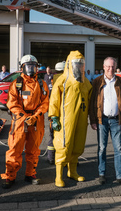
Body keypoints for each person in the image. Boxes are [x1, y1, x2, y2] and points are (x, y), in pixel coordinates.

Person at [1, 54, 49, 189]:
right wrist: (24, 116)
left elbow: (45, 103)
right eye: (28, 66)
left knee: (33, 149)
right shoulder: (16, 84)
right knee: (15, 148)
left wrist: (35, 115)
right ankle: (10, 176)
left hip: (36, 120)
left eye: (33, 66)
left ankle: (30, 174)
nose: (31, 69)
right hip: (20, 121)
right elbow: (12, 103)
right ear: (22, 67)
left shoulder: (42, 84)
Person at [48, 50, 92, 187]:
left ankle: (72, 172)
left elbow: (92, 100)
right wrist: (54, 117)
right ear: (69, 64)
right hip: (65, 119)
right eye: (76, 64)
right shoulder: (62, 81)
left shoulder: (86, 83)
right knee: (64, 145)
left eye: (81, 64)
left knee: (77, 145)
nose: (79, 67)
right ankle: (58, 176)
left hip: (81, 118)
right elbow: (54, 100)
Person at [89, 57, 121, 187]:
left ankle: (120, 176)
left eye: (112, 67)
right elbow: (92, 103)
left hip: (117, 121)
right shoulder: (97, 82)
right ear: (103, 66)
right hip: (102, 120)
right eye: (108, 66)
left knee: (119, 149)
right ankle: (102, 174)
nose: (110, 69)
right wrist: (93, 120)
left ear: (116, 67)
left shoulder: (120, 82)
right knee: (102, 148)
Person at [46, 61, 65, 165]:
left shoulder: (50, 80)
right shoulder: (65, 80)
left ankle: (51, 158)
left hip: (52, 112)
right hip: (63, 112)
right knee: (63, 136)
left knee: (52, 136)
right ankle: (64, 158)